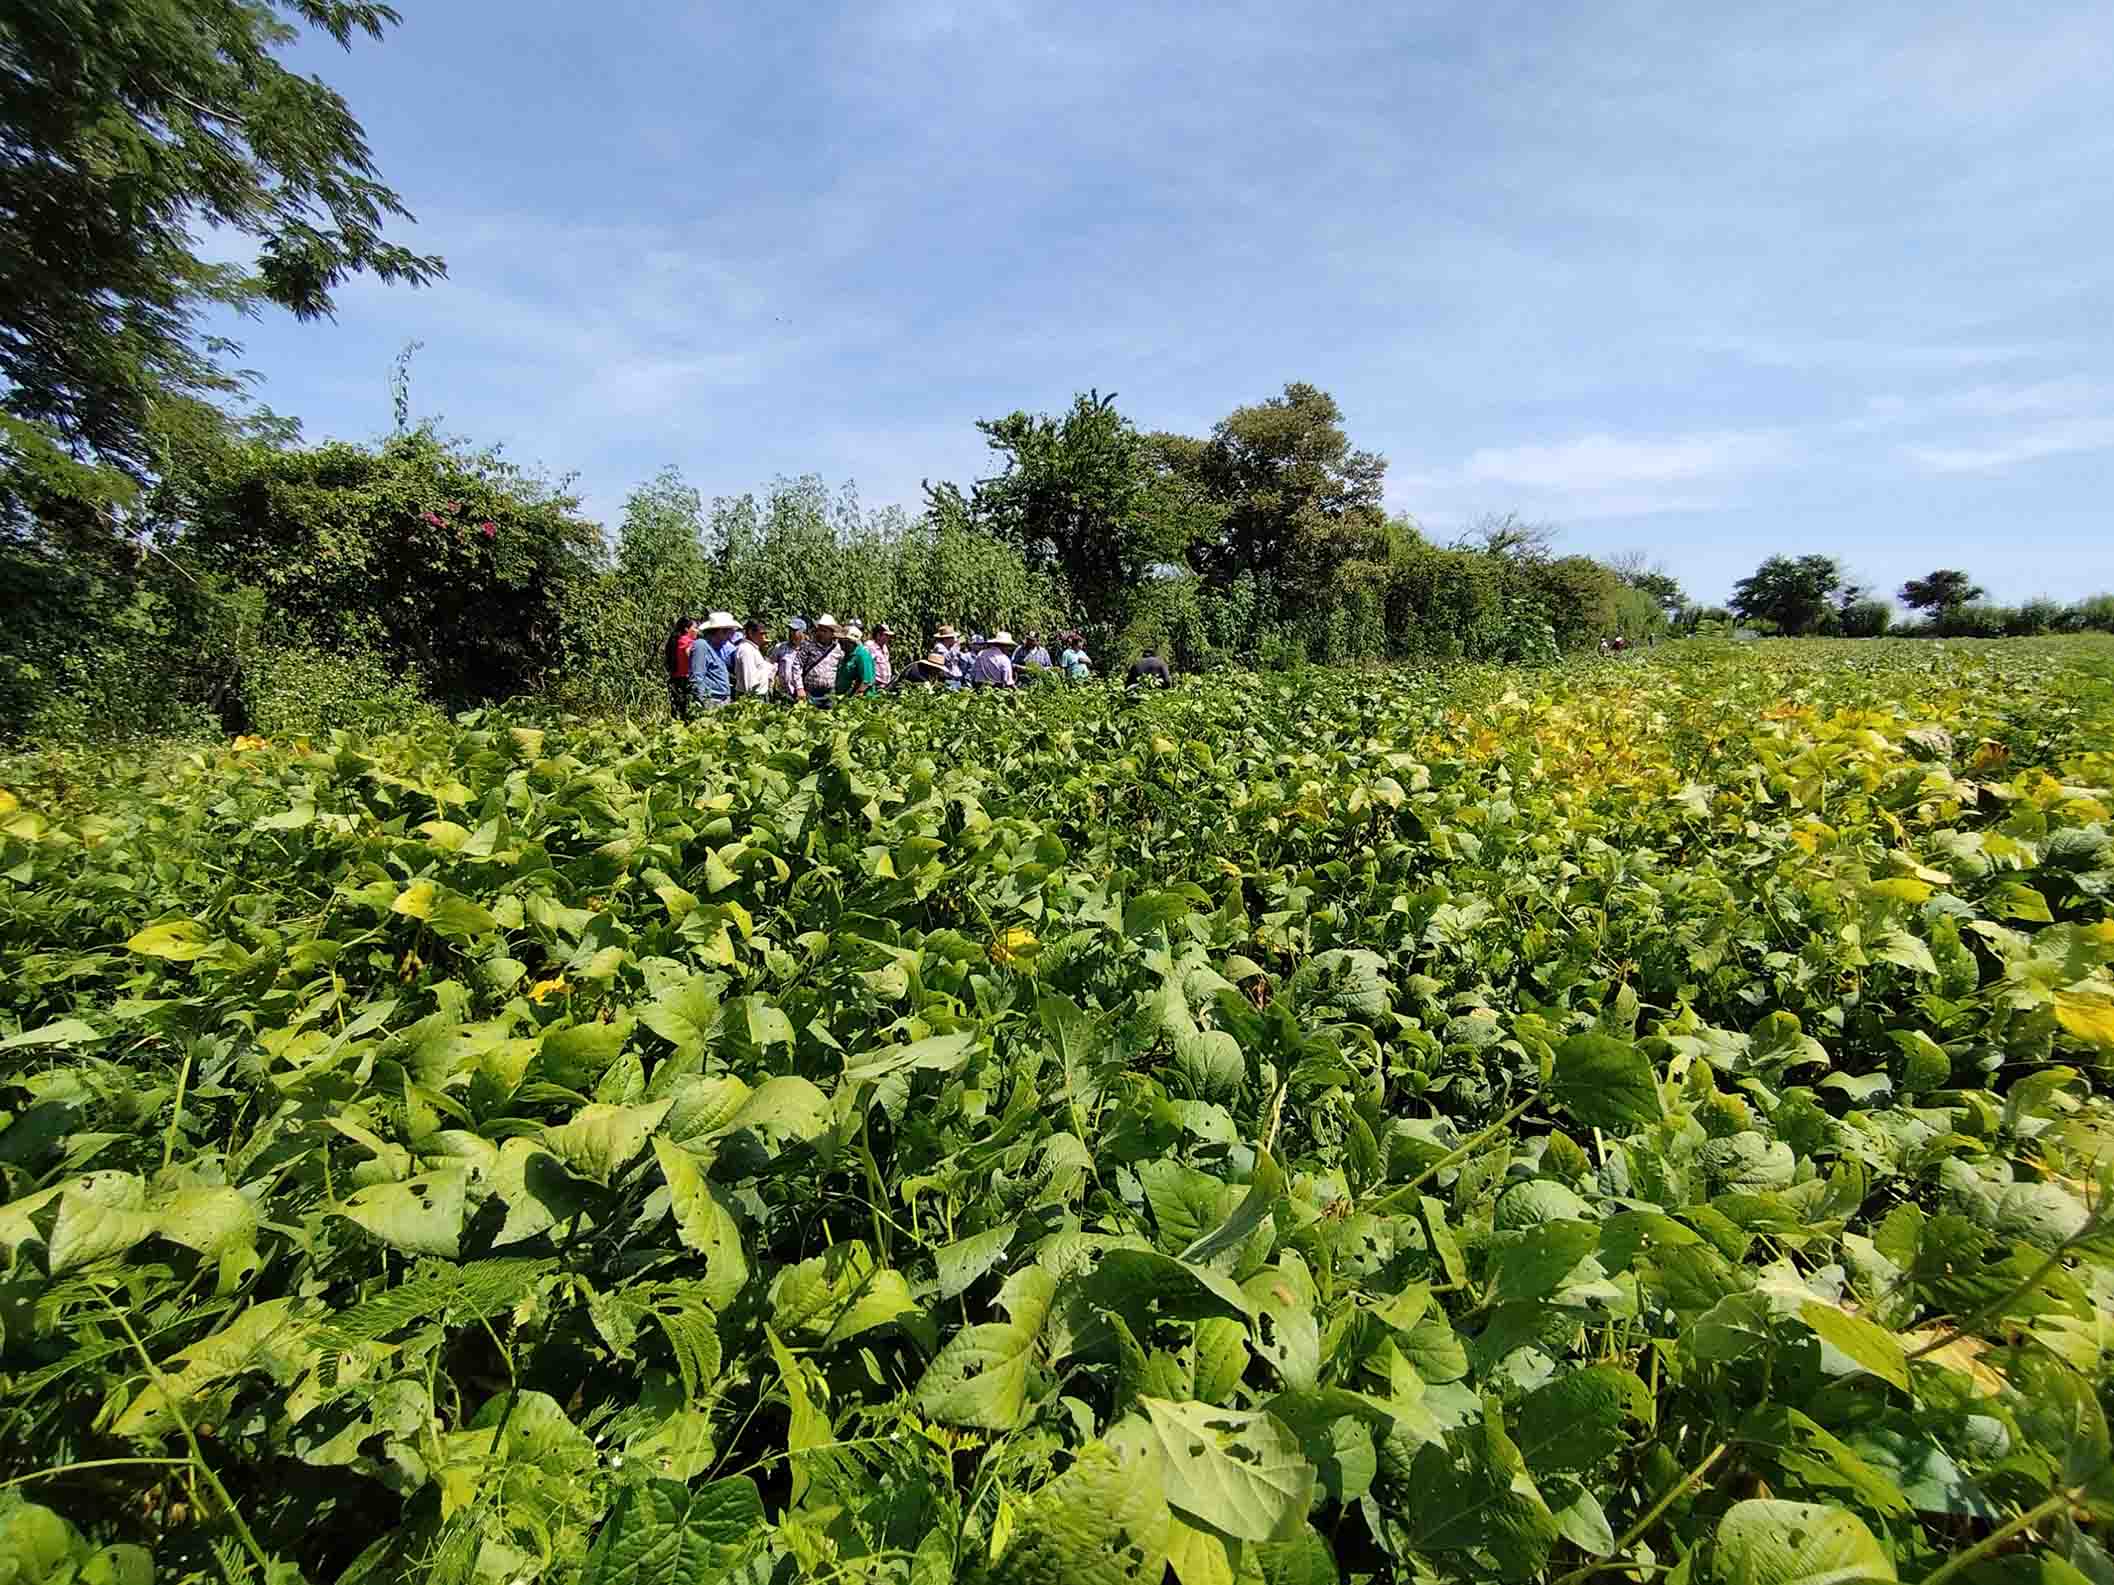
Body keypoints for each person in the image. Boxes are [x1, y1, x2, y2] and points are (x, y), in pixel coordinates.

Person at [691, 612, 736, 709]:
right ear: (720, 631)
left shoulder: (717, 648)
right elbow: (697, 677)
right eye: (729, 633)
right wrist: (704, 702)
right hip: (712, 700)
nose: (730, 637)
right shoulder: (701, 646)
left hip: (721, 700)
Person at [800, 615, 842, 698]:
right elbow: (797, 667)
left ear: (831, 633)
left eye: (824, 631)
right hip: (809, 691)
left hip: (829, 693)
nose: (821, 633)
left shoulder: (838, 649)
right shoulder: (808, 646)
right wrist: (799, 688)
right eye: (819, 630)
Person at [664, 616, 697, 720]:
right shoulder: (687, 641)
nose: (697, 630)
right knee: (687, 709)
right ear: (687, 629)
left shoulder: (676, 640)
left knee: (678, 708)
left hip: (675, 678)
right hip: (686, 678)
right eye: (695, 627)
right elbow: (689, 654)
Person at [732, 616, 772, 697]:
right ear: (750, 633)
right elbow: (749, 681)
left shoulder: (752, 648)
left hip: (758, 694)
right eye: (762, 633)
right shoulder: (746, 650)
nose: (764, 637)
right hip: (753, 695)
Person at [837, 621, 877, 698]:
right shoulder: (847, 654)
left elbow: (866, 682)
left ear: (851, 642)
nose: (839, 643)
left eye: (842, 641)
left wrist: (852, 699)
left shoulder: (862, 655)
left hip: (861, 700)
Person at [773, 617, 809, 701]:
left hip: (803, 692)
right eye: (790, 630)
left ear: (802, 633)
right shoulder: (780, 647)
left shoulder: (809, 649)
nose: (791, 633)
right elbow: (772, 664)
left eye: (795, 631)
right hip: (784, 692)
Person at [933, 625, 969, 691]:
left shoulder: (950, 647)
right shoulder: (939, 647)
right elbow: (946, 658)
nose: (954, 639)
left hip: (956, 678)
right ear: (946, 638)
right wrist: (956, 646)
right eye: (952, 637)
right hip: (947, 679)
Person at [870, 622, 895, 689]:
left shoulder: (884, 647)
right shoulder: (870, 647)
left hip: (885, 685)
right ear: (878, 635)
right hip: (876, 685)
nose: (888, 638)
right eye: (886, 635)